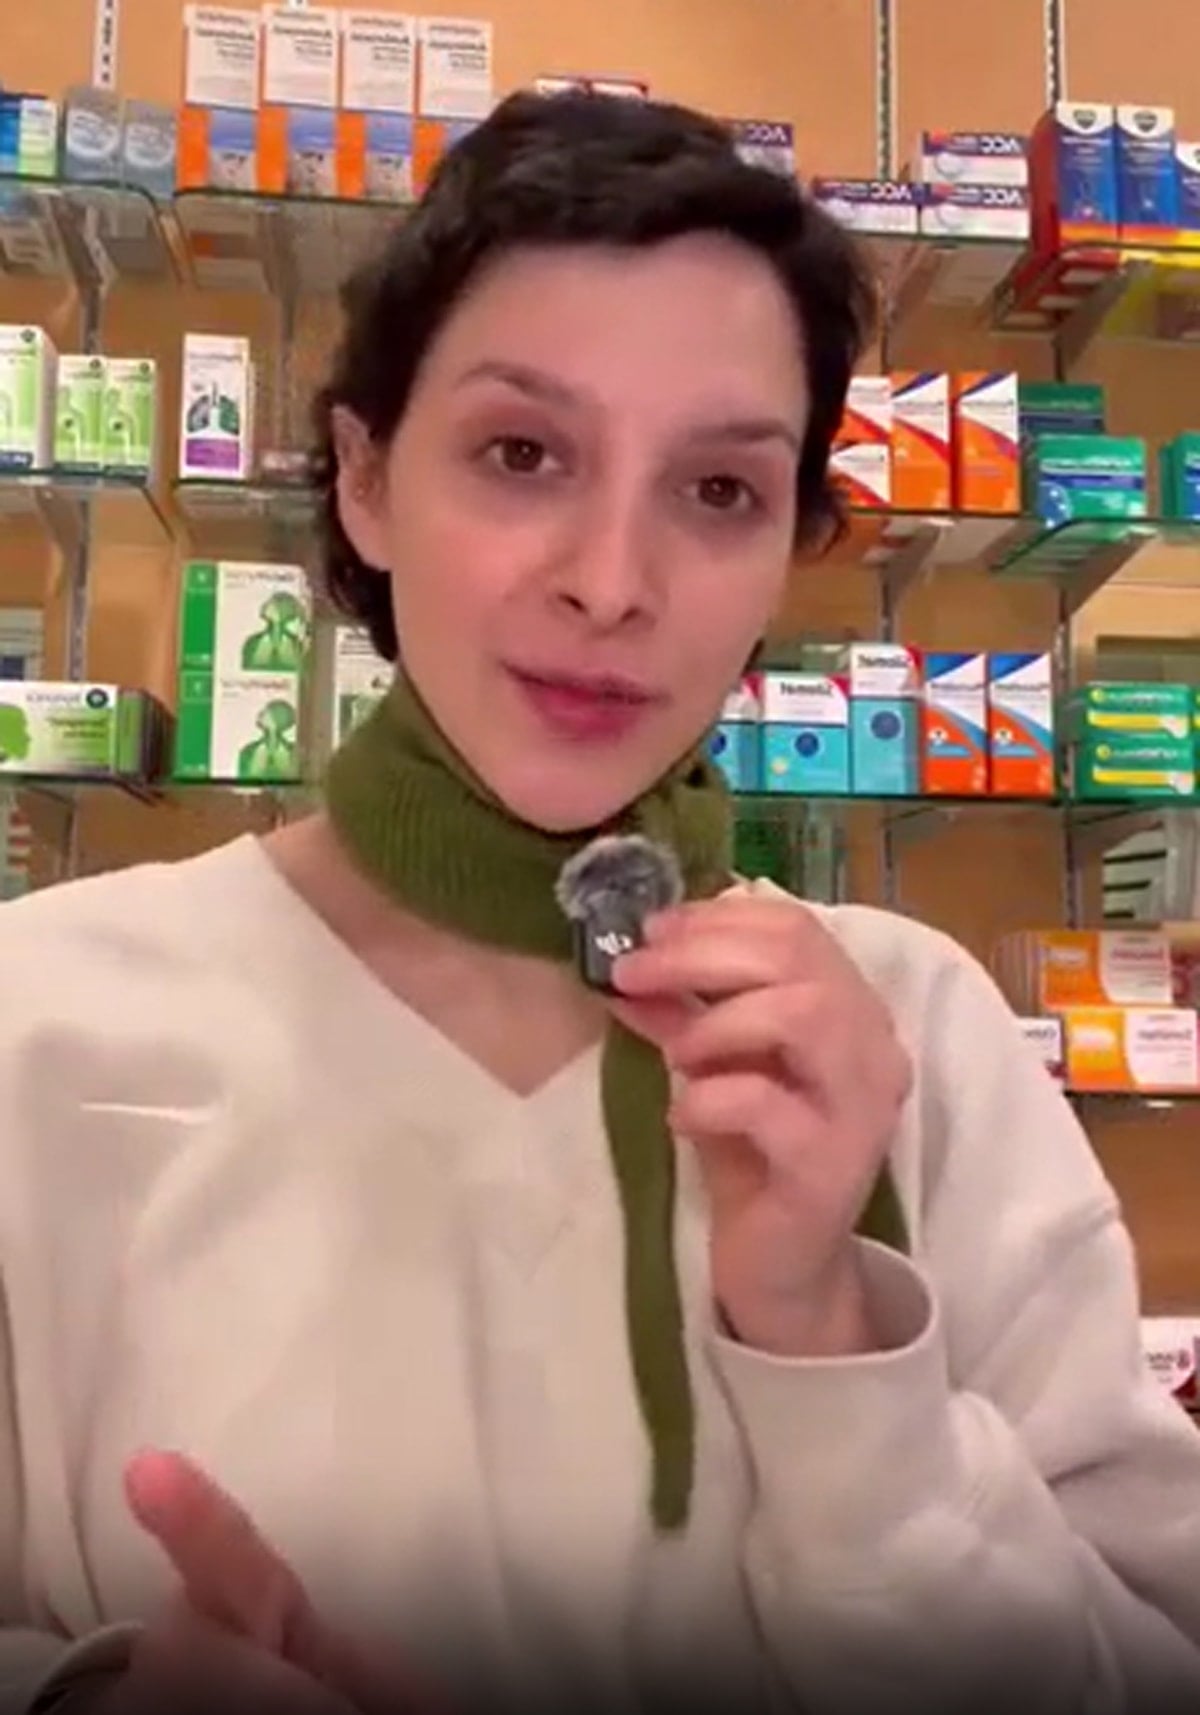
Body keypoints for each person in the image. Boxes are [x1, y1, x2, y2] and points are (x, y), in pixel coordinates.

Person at [3, 88, 1200, 1715]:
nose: (613, 582)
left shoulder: (915, 1037)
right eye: (522, 454)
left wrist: (836, 1343)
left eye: (718, 491)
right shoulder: (40, 1020)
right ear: (365, 476)